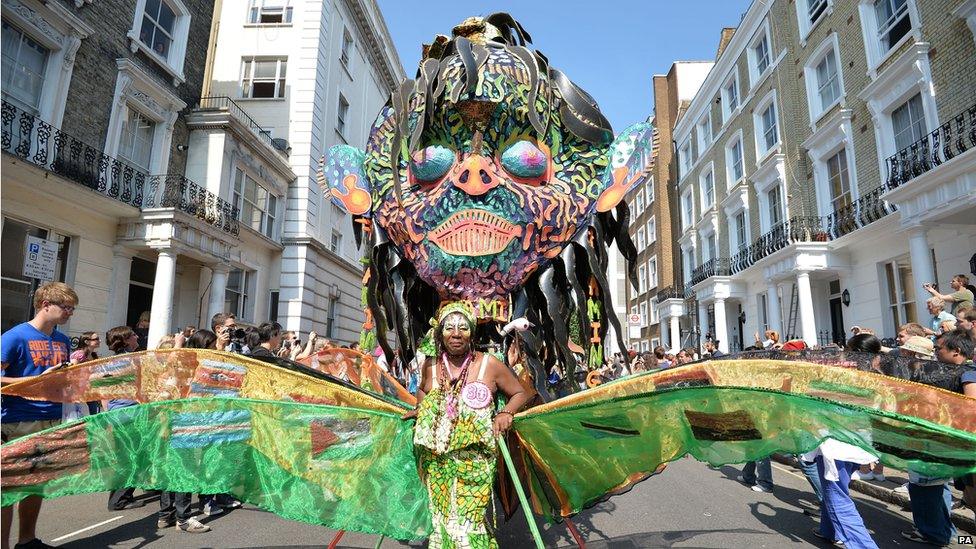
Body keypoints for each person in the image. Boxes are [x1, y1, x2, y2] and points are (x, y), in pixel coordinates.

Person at [405, 304, 529, 548]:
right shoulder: (430, 365)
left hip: (476, 460)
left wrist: (505, 413)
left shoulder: (489, 364)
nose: (456, 333)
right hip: (436, 459)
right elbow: (423, 389)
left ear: (471, 333)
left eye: (463, 328)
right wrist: (423, 409)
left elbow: (519, 393)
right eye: (449, 328)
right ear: (440, 333)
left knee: (468, 522)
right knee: (441, 518)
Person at [1, 282, 77, 549]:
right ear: (46, 305)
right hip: (17, 420)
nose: (70, 313)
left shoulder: (63, 341)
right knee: (7, 488)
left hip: (52, 419)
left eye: (72, 309)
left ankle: (27, 540)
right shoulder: (15, 337)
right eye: (66, 307)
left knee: (37, 483)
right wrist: (36, 380)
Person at [103, 325, 144, 512]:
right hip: (130, 414)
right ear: (126, 340)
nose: (137, 337)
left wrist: (108, 416)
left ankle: (121, 496)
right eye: (133, 335)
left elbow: (103, 393)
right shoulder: (130, 362)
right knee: (131, 457)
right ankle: (119, 499)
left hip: (117, 414)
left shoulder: (109, 363)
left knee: (125, 456)